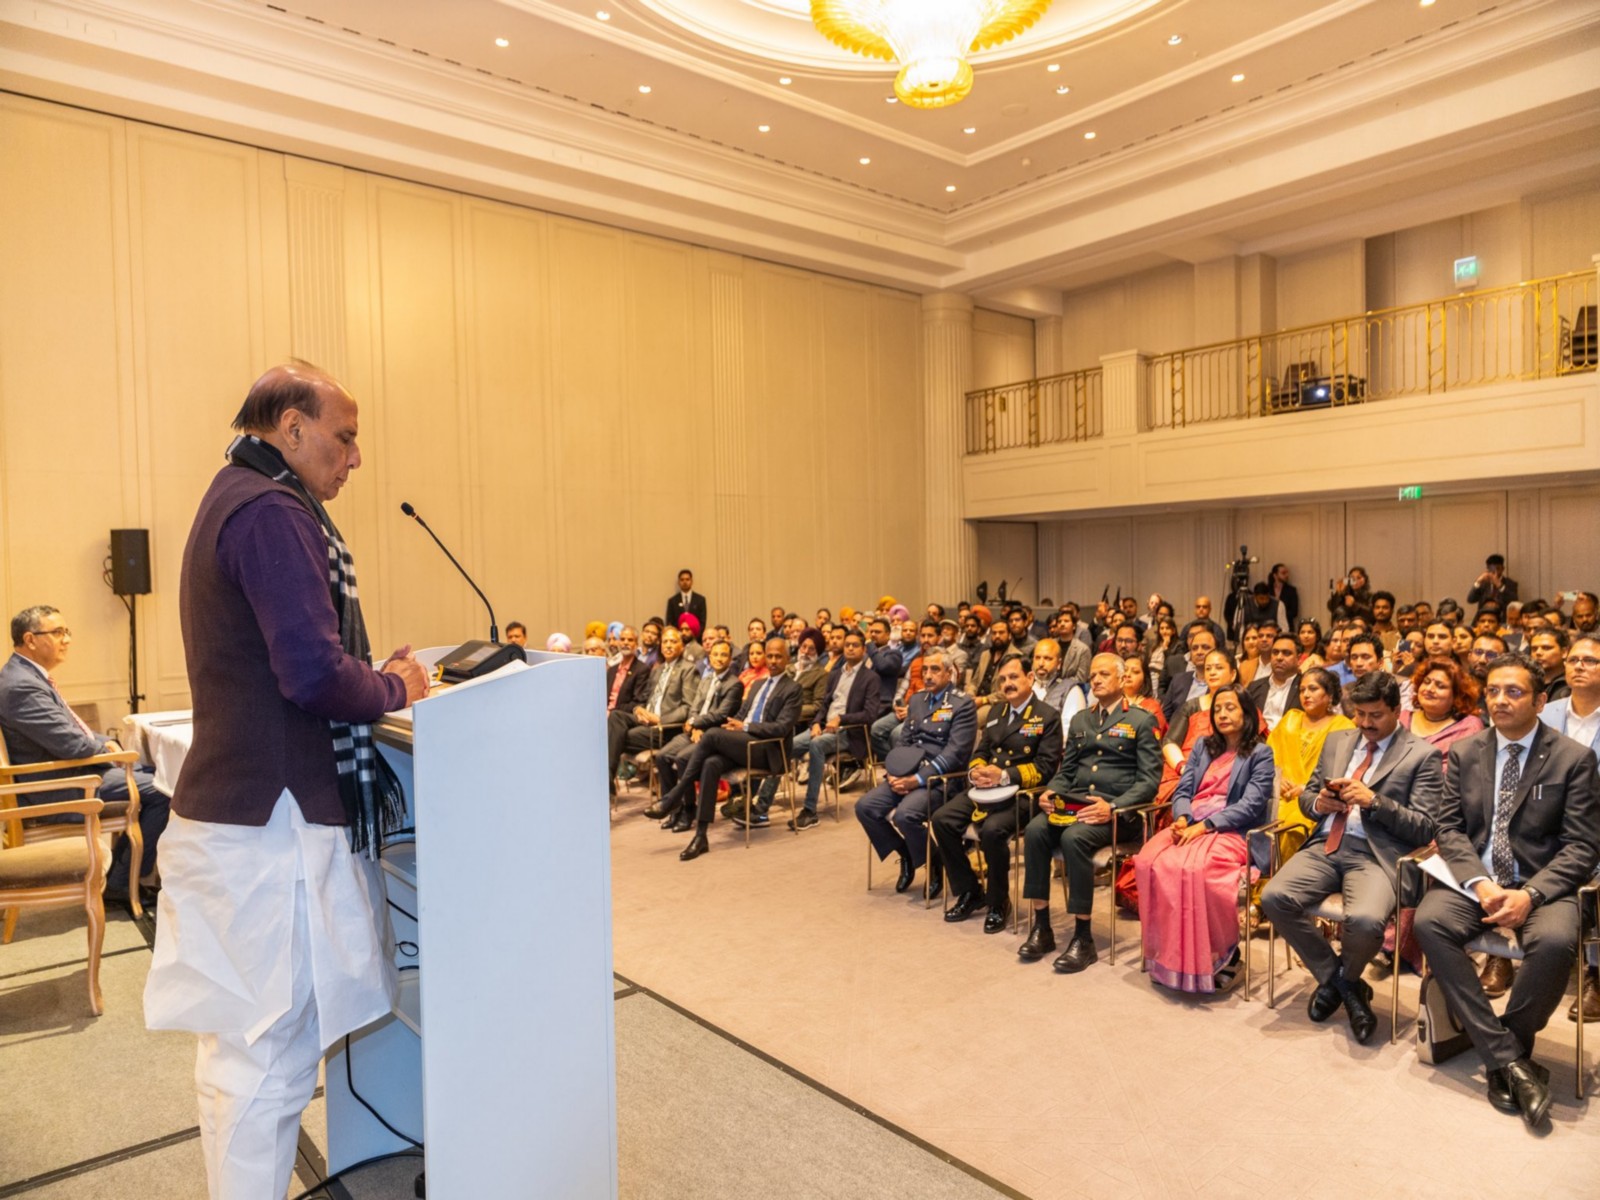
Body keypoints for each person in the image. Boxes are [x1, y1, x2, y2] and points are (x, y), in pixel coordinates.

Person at [141, 363, 429, 1200]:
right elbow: (309, 673)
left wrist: (368, 675)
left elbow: (293, 665)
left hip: (248, 823)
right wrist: (396, 687)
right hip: (270, 830)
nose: (355, 457)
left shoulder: (238, 495)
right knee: (265, 1058)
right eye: (345, 436)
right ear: (292, 429)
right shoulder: (270, 512)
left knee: (249, 1053)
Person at [1413, 653, 1600, 1127]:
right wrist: (1478, 882)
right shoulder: (1466, 751)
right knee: (1430, 921)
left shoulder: (1574, 758)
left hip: (1542, 883)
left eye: (1513, 692)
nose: (1500, 700)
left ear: (1540, 700)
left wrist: (1530, 896)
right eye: (1493, 690)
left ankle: (1504, 1051)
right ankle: (1509, 1059)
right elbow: (1449, 828)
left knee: (1556, 941)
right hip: (1476, 878)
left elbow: (1582, 846)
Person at [1259, 673, 1442, 1045]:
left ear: (1397, 710)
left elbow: (1424, 828)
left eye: (1375, 715)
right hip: (1327, 843)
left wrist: (1375, 802)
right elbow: (1309, 796)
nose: (1365, 724)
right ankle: (1345, 984)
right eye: (1359, 714)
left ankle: (1337, 984)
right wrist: (1318, 803)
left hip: (1376, 854)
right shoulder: (1339, 739)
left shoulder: (1421, 754)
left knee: (1364, 919)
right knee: (1274, 897)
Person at [0, 605, 171, 903]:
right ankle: (122, 884)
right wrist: (105, 747)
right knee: (164, 790)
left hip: (70, 774)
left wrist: (106, 743)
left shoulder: (26, 675)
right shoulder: (20, 686)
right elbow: (72, 745)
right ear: (30, 639)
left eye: (67, 632)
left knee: (157, 775)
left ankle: (124, 875)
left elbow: (73, 732)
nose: (66, 639)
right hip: (56, 788)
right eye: (57, 632)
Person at [1017, 654, 1162, 973]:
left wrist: (1112, 807)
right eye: (1093, 674)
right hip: (1077, 805)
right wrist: (1051, 790)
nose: (1095, 680)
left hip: (1118, 816)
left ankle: (1084, 938)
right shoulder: (1082, 719)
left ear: (1122, 680)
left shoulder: (1140, 720)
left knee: (1074, 837)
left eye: (1104, 674)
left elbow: (1149, 782)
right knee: (1035, 831)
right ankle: (1042, 927)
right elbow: (1067, 770)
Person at [1134, 683, 1275, 992]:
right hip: (1192, 822)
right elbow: (1184, 789)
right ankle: (1171, 958)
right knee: (1149, 862)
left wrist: (1206, 824)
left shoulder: (1261, 753)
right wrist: (1183, 817)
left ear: (1247, 712)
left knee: (1197, 870)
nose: (1223, 714)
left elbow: (1251, 805)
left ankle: (1222, 955)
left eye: (1231, 707)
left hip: (1233, 829)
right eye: (1218, 709)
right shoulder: (1202, 746)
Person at [933, 656, 1063, 933]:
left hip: (1024, 794)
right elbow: (981, 753)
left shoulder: (1047, 716)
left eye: (1014, 677)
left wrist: (1003, 775)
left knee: (992, 831)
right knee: (942, 819)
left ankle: (998, 901)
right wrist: (976, 772)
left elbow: (1046, 768)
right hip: (986, 789)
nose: (1007, 684)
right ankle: (970, 891)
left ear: (1030, 678)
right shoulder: (996, 713)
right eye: (1002, 679)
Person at [652, 636, 801, 859]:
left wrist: (745, 725)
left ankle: (674, 796)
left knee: (711, 734)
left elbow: (781, 728)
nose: (772, 660)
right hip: (742, 742)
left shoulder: (793, 688)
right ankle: (701, 836)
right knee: (711, 764)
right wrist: (732, 726)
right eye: (769, 656)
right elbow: (740, 715)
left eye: (778, 656)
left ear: (787, 659)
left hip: (767, 750)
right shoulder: (759, 684)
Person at [856, 650, 976, 898]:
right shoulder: (917, 700)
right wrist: (894, 772)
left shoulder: (962, 704)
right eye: (925, 670)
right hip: (907, 773)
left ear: (949, 672)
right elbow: (904, 741)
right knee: (865, 806)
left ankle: (933, 864)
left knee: (906, 815)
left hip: (940, 780)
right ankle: (907, 854)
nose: (928, 675)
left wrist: (917, 779)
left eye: (935, 670)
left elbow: (955, 755)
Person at [1537, 634, 1600, 1020]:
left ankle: (1596, 972)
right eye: (1574, 659)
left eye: (1590, 661)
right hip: (1545, 819)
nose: (1579, 666)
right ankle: (1504, 956)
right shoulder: (1546, 713)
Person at [644, 641, 743, 818]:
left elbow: (721, 715)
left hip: (714, 735)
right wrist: (693, 724)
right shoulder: (706, 680)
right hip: (695, 731)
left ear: (730, 659)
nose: (719, 659)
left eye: (723, 655)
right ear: (709, 657)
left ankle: (689, 809)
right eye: (715, 654)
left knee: (682, 758)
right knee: (662, 756)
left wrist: (697, 723)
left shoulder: (734, 684)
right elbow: (694, 708)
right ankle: (674, 810)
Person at [1265, 667, 1352, 860]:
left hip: (1314, 799)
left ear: (1329, 695)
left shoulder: (1343, 727)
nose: (1306, 694)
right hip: (1277, 793)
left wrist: (1306, 788)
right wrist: (1277, 780)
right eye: (1302, 690)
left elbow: (1344, 771)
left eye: (1313, 689)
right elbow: (1267, 757)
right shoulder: (1290, 719)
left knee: (1292, 825)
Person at [606, 625, 692, 784]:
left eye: (673, 641)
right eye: (665, 642)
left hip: (665, 728)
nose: (668, 645)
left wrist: (659, 719)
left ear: (682, 646)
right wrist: (638, 709)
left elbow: (687, 707)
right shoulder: (657, 670)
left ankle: (606, 780)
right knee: (616, 717)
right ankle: (608, 779)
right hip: (646, 722)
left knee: (615, 736)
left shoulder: (688, 669)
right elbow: (643, 699)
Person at [1402, 658, 1484, 768]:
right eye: (1426, 682)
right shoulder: (1402, 717)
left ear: (1456, 696)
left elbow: (1456, 774)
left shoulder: (1468, 727)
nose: (1429, 689)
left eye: (1440, 686)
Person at [1248, 633, 1302, 730]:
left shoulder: (1305, 688)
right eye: (1275, 652)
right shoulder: (1254, 687)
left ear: (1298, 659)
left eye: (1286, 653)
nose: (1279, 658)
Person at [1119, 654, 1165, 735]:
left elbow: (1152, 739)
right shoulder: (1111, 701)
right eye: (1125, 670)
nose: (1128, 674)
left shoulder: (1152, 707)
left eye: (1135, 672)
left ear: (1144, 678)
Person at [666, 568, 708, 633]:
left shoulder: (700, 600)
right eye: (682, 580)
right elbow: (669, 622)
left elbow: (702, 622)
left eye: (687, 579)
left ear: (692, 581)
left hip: (696, 637)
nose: (685, 582)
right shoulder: (672, 601)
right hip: (678, 637)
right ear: (679, 582)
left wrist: (696, 636)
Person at [1269, 562, 1300, 628]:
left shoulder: (1291, 590)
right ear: (1275, 575)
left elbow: (1294, 612)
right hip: (1269, 625)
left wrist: (1279, 615)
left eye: (1287, 573)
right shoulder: (1268, 590)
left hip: (1287, 625)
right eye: (1283, 573)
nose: (1286, 575)